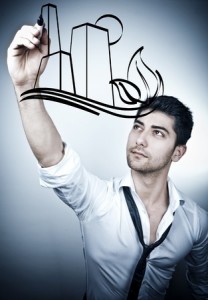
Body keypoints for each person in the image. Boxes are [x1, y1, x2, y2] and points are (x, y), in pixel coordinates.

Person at [7, 24, 208, 300]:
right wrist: (25, 86)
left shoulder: (196, 222)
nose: (141, 139)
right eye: (138, 126)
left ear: (178, 152)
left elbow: (202, 285)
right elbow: (54, 159)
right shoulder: (98, 200)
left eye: (157, 132)